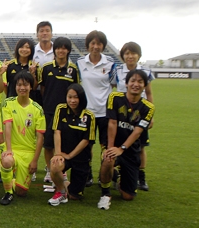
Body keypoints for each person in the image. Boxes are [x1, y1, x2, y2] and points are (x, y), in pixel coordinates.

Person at [98, 69, 155, 210]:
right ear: (126, 83)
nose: (136, 84)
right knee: (108, 159)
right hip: (113, 144)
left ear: (144, 85)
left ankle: (118, 178)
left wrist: (122, 149)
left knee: (127, 196)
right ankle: (105, 194)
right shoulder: (115, 98)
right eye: (133, 81)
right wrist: (111, 148)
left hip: (130, 150)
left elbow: (137, 132)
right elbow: (112, 123)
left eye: (140, 82)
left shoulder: (148, 107)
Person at [0, 71, 46, 205]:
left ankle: (13, 180)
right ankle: (8, 193)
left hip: (28, 152)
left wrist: (35, 161)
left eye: (25, 85)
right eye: (19, 85)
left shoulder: (37, 109)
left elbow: (40, 137)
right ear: (15, 87)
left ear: (31, 87)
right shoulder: (8, 103)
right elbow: (7, 127)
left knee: (22, 192)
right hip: (13, 149)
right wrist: (8, 149)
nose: (22, 88)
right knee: (7, 161)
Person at [76, 31, 117, 186]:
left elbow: (114, 86)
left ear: (103, 46)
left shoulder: (110, 63)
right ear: (88, 45)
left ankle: (105, 174)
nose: (95, 46)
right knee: (87, 144)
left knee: (105, 146)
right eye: (92, 43)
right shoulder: (80, 62)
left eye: (99, 44)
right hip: (87, 112)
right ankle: (88, 174)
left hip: (106, 112)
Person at [37, 37, 80, 183]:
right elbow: (42, 89)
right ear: (54, 50)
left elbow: (76, 91)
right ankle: (50, 170)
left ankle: (62, 169)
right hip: (49, 111)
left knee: (64, 143)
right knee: (48, 144)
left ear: (68, 50)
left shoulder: (73, 70)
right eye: (58, 48)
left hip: (67, 113)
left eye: (64, 48)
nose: (61, 51)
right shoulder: (47, 68)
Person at [115, 42, 155, 191]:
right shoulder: (117, 70)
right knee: (119, 143)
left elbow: (149, 93)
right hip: (122, 114)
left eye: (133, 53)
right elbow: (113, 89)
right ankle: (120, 174)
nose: (130, 56)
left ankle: (141, 176)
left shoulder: (146, 71)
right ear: (123, 55)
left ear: (138, 55)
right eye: (127, 53)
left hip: (141, 113)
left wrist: (151, 116)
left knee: (141, 146)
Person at [48, 84, 96, 206]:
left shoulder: (89, 116)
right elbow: (57, 131)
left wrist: (70, 155)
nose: (72, 100)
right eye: (70, 97)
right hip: (64, 154)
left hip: (81, 158)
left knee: (75, 196)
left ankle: (67, 185)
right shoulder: (61, 109)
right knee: (54, 164)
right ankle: (61, 191)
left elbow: (86, 141)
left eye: (76, 97)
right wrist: (58, 154)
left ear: (81, 98)